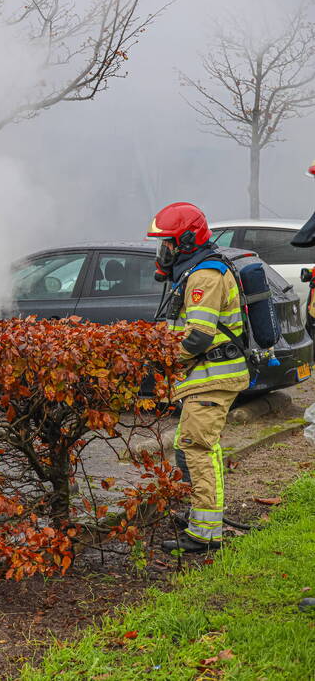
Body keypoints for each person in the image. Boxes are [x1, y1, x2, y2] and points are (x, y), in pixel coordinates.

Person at [148, 202, 250, 554]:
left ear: (188, 241)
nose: (163, 253)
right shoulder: (194, 272)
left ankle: (206, 533)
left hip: (213, 377)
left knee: (198, 448)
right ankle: (198, 513)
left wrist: (163, 360)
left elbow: (198, 337)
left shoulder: (204, 276)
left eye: (168, 244)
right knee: (184, 444)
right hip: (203, 376)